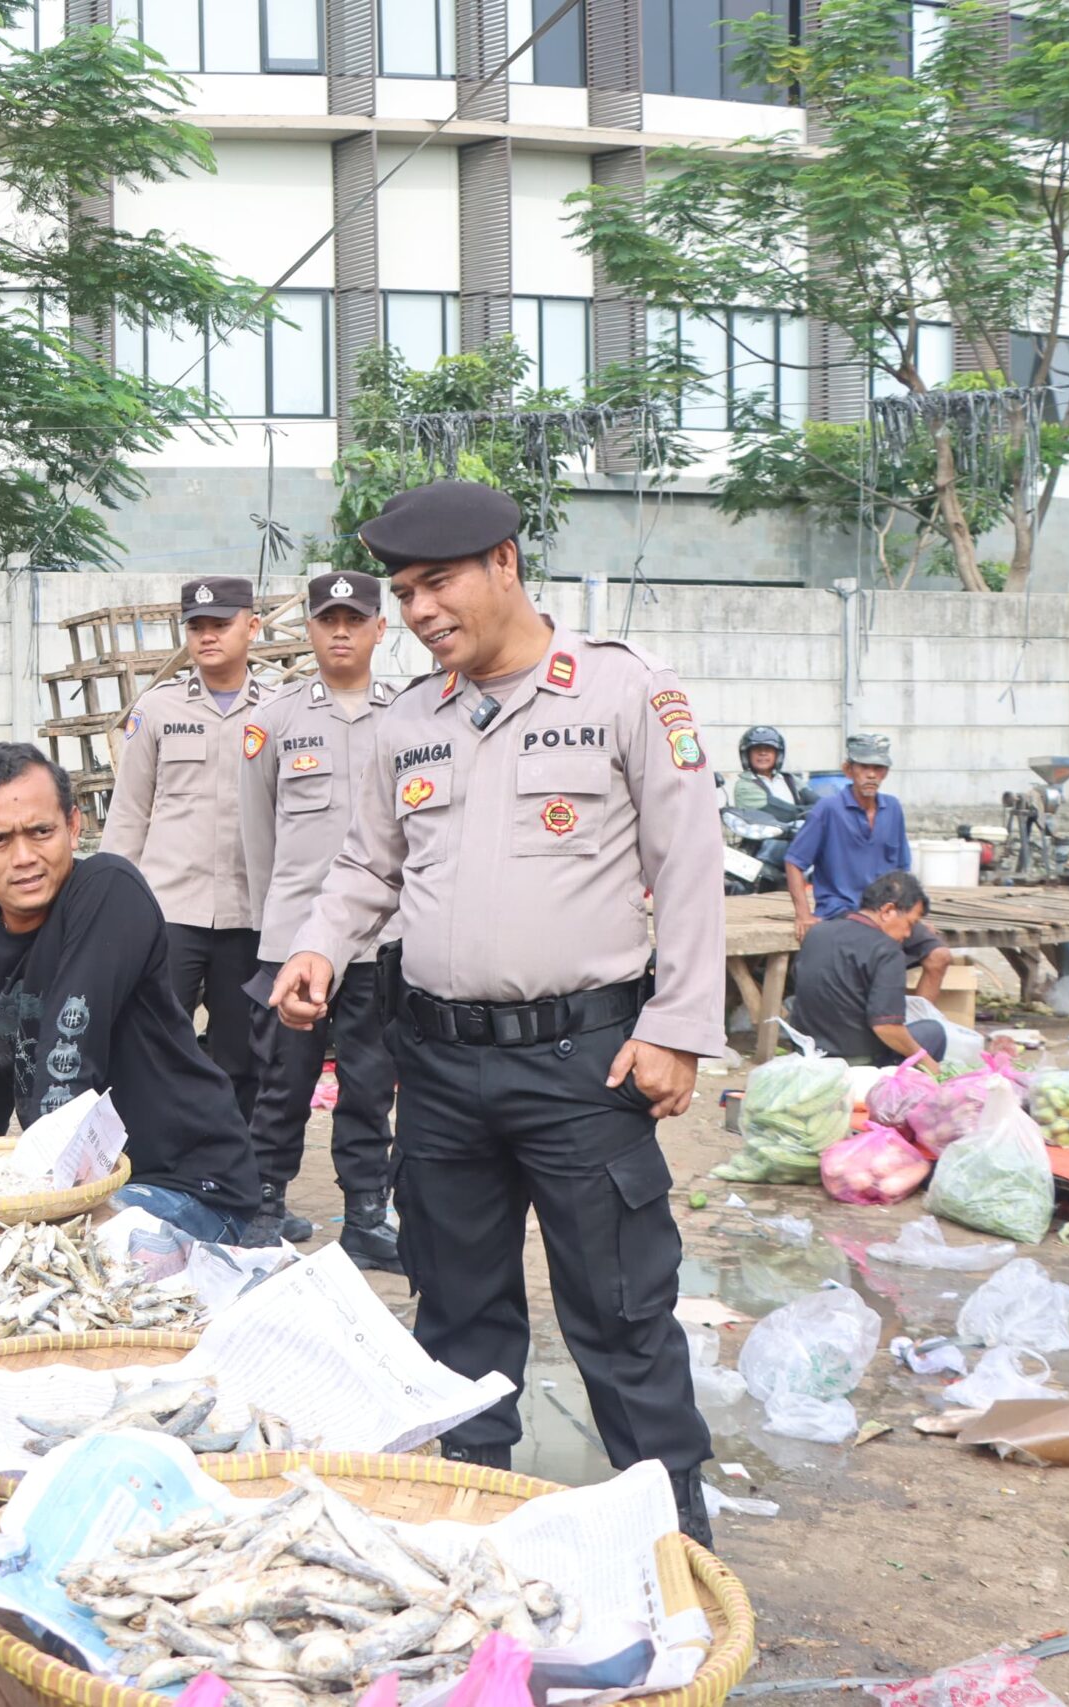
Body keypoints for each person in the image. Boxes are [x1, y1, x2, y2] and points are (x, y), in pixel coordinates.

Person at [266, 480, 724, 1550]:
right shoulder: (407, 722)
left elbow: (691, 866)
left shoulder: (619, 693)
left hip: (586, 1067)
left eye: (438, 584)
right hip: (438, 1068)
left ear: (505, 564)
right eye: (404, 592)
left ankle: (676, 1539)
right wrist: (319, 945)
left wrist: (677, 1029)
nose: (420, 611)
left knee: (618, 1311)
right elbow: (367, 863)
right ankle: (473, 1518)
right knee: (456, 1310)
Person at [0, 742, 266, 1243]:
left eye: (41, 832)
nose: (24, 858)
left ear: (74, 825)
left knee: (44, 1251)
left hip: (185, 1185)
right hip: (69, 1183)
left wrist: (41, 1202)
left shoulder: (110, 889)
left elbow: (66, 1066)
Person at [238, 568, 402, 1262]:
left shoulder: (409, 714)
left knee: (369, 1084)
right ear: (307, 628)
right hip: (293, 940)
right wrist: (275, 928)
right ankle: (265, 1204)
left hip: (382, 941)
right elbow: (256, 836)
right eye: (328, 619)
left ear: (378, 629)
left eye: (355, 619)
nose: (341, 631)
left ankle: (366, 1215)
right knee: (283, 1081)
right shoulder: (274, 720)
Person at [101, 576, 270, 1125]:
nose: (207, 636)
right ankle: (150, 1157)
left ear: (253, 625)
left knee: (241, 1053)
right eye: (196, 627)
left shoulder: (279, 711)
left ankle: (230, 1159)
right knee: (151, 1038)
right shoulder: (156, 709)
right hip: (170, 910)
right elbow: (129, 812)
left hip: (251, 914)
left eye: (220, 624)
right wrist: (115, 906)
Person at [784, 733, 951, 1001]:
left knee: (939, 956)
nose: (871, 775)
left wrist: (912, 916)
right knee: (885, 958)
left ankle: (916, 1031)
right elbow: (794, 861)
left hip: (890, 913)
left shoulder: (893, 808)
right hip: (843, 911)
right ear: (848, 770)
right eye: (864, 767)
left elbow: (902, 870)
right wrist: (803, 914)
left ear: (885, 772)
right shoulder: (828, 809)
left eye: (878, 768)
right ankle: (883, 1030)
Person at [787, 873, 949, 1067]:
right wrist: (929, 1063)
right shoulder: (886, 951)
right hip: (858, 1062)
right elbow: (886, 1027)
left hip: (808, 1053)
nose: (907, 934)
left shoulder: (817, 933)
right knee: (934, 1032)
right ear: (888, 910)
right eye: (910, 924)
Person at [727, 726, 808, 824]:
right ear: (747, 755)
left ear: (778, 754)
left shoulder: (790, 779)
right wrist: (812, 812)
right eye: (757, 749)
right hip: (764, 838)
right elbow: (780, 813)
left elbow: (819, 802)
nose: (762, 753)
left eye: (768, 749)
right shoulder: (744, 785)